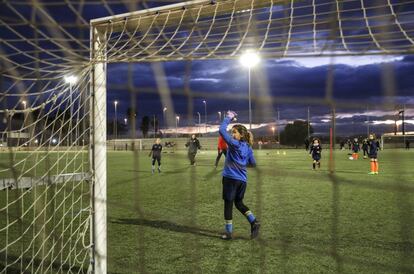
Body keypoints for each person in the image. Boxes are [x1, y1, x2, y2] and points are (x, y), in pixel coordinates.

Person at [219, 111, 260, 240]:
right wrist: (241, 165)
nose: (232, 134)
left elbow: (221, 130)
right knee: (239, 203)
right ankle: (254, 222)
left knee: (228, 205)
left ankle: (228, 233)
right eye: (232, 132)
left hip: (230, 179)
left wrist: (228, 117)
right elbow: (253, 164)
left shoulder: (234, 144)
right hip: (242, 181)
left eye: (234, 132)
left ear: (241, 135)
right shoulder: (248, 147)